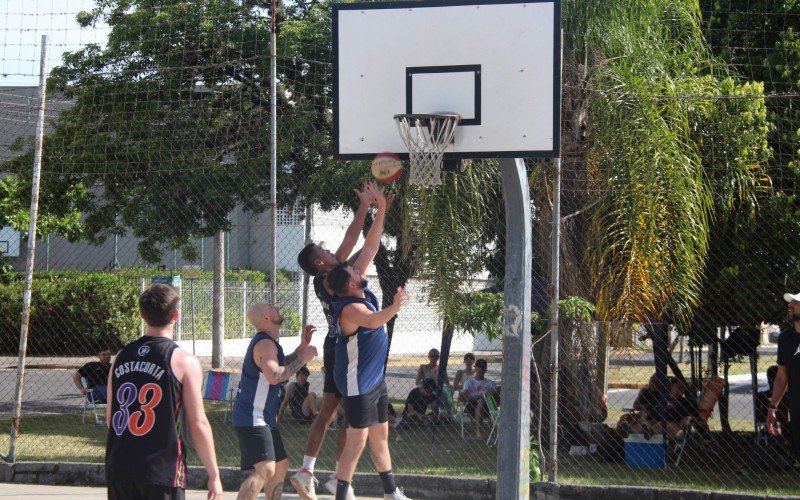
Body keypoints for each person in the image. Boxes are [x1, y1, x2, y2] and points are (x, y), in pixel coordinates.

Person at [292, 181, 389, 499]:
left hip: (341, 347)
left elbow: (354, 245)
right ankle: (325, 475)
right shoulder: (328, 279)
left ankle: (325, 474)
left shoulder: (335, 271)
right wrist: (373, 210)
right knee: (341, 412)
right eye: (324, 251)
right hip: (342, 349)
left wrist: (365, 207)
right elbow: (355, 246)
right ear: (319, 262)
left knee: (336, 411)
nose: (330, 250)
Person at [326, 187, 412, 500]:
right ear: (350, 283)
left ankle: (391, 494)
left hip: (372, 379)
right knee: (357, 440)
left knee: (380, 436)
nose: (359, 267)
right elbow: (375, 321)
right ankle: (341, 492)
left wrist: (382, 207)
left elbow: (372, 244)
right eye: (354, 270)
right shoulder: (350, 308)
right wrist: (396, 306)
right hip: (355, 382)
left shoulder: (356, 288)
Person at [105, 284, 222, 500]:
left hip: (119, 466)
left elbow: (110, 419)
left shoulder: (121, 356)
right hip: (162, 469)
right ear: (176, 315)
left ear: (141, 315)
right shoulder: (184, 361)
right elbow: (198, 424)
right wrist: (214, 474)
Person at [232, 302, 318, 500]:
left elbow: (281, 363)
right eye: (271, 306)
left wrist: (301, 348)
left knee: (280, 466)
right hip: (252, 416)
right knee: (266, 469)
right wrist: (303, 359)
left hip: (264, 417)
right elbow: (275, 375)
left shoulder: (269, 344)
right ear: (265, 318)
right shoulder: (264, 344)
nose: (276, 306)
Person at [767, 292, 800, 457]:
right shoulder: (785, 338)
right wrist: (772, 408)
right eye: (790, 302)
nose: (790, 305)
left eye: (795, 303)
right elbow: (782, 376)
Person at [458, 359, 499, 440]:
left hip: (488, 407)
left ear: (486, 369)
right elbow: (464, 395)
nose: (481, 369)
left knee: (495, 392)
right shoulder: (469, 382)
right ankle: (478, 430)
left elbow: (496, 395)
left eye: (483, 367)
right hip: (472, 406)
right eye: (479, 367)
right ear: (475, 368)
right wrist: (479, 397)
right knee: (480, 400)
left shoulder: (491, 383)